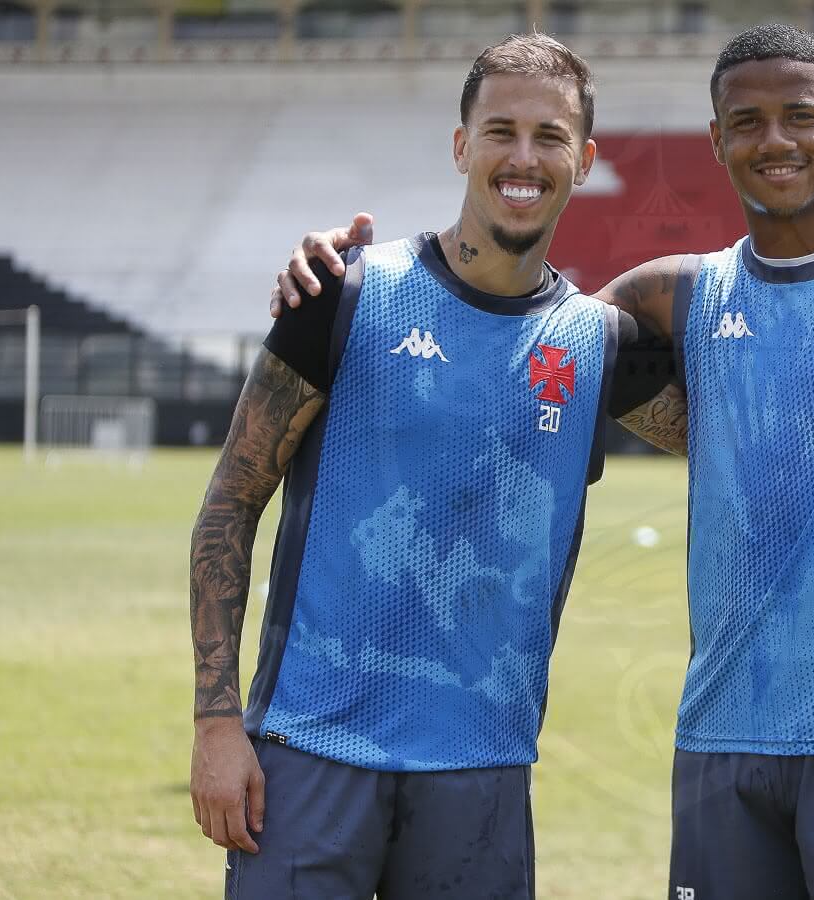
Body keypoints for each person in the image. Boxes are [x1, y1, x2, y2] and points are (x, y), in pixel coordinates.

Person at [273, 24, 814, 899]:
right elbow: (512, 326)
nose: (776, 140)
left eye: (800, 117)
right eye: (748, 121)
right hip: (718, 749)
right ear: (715, 141)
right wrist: (331, 281)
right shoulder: (673, 297)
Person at [188, 34, 686, 899]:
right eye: (500, 131)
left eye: (550, 136)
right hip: (311, 756)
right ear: (462, 146)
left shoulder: (601, 345)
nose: (522, 158)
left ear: (586, 159)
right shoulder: (343, 296)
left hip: (481, 774)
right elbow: (230, 504)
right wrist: (216, 721)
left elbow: (747, 434)